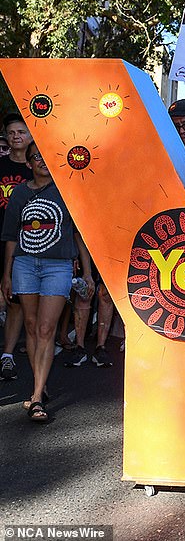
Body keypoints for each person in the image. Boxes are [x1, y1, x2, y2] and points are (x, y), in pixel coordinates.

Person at [1, 142, 94, 421]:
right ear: (28, 164)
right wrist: (6, 275)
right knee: (30, 326)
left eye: (46, 156)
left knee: (45, 329)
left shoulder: (67, 191)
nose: (42, 161)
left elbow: (79, 234)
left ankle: (37, 396)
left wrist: (87, 272)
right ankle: (39, 384)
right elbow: (11, 236)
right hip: (25, 264)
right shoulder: (19, 193)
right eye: (36, 157)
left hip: (58, 266)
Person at [0, 113, 33, 381]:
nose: (16, 136)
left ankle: (7, 355)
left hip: (26, 244)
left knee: (15, 300)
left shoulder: (38, 169)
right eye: (11, 133)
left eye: (21, 132)